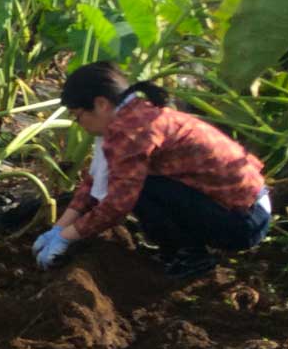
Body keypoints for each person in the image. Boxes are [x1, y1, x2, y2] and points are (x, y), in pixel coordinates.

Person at [33, 62, 271, 278]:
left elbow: (118, 203)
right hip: (244, 209)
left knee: (141, 187)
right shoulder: (131, 116)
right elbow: (95, 181)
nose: (80, 125)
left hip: (243, 222)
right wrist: (58, 228)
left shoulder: (131, 131)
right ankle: (181, 250)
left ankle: (191, 256)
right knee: (137, 182)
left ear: (101, 104)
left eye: (78, 116)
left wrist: (67, 237)